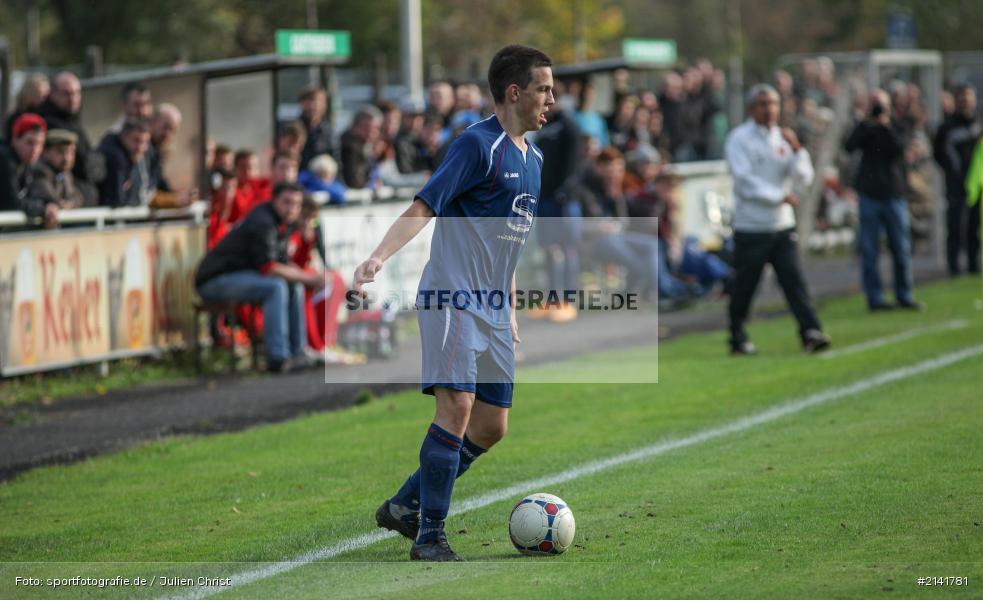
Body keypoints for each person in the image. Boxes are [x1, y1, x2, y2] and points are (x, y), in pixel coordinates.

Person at [354, 44, 554, 561]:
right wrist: (376, 258)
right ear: (515, 92)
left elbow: (508, 240)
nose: (551, 99)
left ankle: (404, 504)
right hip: (452, 299)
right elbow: (425, 205)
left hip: (492, 307)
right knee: (458, 406)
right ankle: (429, 537)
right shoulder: (476, 146)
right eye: (544, 89)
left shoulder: (534, 159)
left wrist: (508, 307)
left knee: (492, 425)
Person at [724, 84, 829, 355]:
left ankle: (810, 331)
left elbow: (804, 177)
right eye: (763, 104)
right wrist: (778, 196)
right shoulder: (739, 139)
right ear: (752, 108)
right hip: (752, 226)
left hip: (782, 225)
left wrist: (798, 150)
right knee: (746, 285)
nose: (769, 109)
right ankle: (737, 336)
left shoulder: (783, 138)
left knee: (793, 281)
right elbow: (744, 181)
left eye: (773, 104)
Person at [195, 182, 322, 373]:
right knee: (276, 286)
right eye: (287, 202)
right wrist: (310, 279)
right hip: (214, 281)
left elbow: (284, 264)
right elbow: (269, 267)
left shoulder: (284, 223)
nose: (291, 209)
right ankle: (278, 358)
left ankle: (298, 352)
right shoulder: (262, 221)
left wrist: (305, 272)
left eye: (296, 204)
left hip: (241, 277)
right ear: (274, 200)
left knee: (293, 285)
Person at [844, 89, 922, 311]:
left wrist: (884, 124)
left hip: (894, 194)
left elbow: (898, 148)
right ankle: (875, 298)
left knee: (900, 248)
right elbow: (849, 146)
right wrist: (866, 122)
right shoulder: (865, 128)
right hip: (869, 195)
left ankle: (904, 295)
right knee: (870, 250)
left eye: (881, 105)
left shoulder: (898, 125)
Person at [933, 83, 982, 275]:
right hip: (956, 185)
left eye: (969, 96)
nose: (966, 100)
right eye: (962, 97)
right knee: (955, 227)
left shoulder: (979, 124)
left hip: (978, 185)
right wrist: (953, 173)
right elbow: (939, 153)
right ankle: (953, 268)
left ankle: (974, 265)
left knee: (975, 227)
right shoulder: (947, 127)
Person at [36, 72, 102, 191]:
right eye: (66, 94)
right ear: (53, 94)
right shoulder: (46, 122)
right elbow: (81, 163)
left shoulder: (74, 122)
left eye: (77, 93)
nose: (73, 99)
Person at [31, 129, 95, 228]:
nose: (67, 158)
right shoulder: (40, 171)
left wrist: (70, 204)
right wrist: (61, 205)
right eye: (60, 152)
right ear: (46, 152)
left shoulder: (65, 174)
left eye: (71, 152)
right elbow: (48, 199)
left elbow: (77, 197)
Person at [0, 114, 52, 221]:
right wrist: (43, 209)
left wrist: (51, 203)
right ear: (15, 139)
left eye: (39, 144)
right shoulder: (5, 160)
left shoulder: (27, 163)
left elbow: (40, 192)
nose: (35, 150)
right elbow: (11, 203)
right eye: (29, 142)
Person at [97, 118, 154, 207]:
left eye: (145, 142)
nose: (140, 148)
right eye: (136, 140)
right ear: (123, 136)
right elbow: (117, 200)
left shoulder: (134, 157)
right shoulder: (116, 159)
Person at [296, 87, 336, 170]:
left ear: (324, 105)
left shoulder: (329, 132)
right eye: (309, 101)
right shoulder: (294, 129)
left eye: (317, 101)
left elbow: (336, 160)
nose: (312, 106)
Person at [4, 73, 49, 142]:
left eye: (46, 96)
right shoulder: (16, 117)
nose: (44, 99)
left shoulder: (47, 114)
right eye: (39, 95)